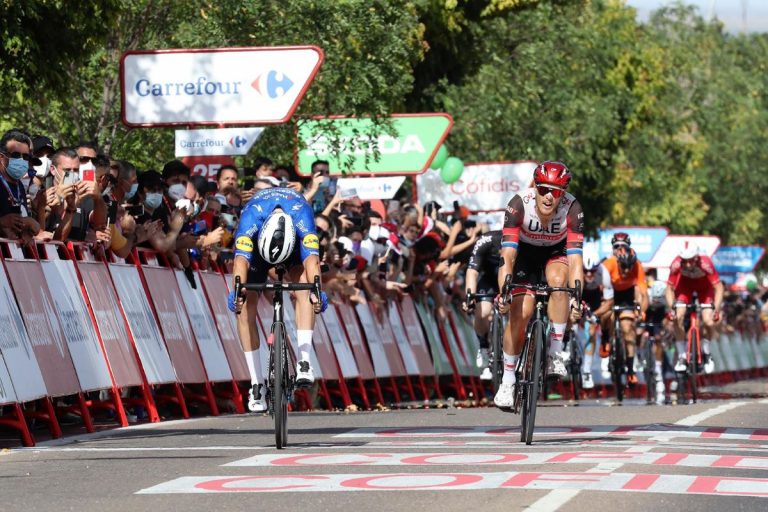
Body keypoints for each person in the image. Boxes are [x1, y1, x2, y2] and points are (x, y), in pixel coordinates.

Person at [229, 185, 328, 413]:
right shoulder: (251, 218)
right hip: (258, 252)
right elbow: (239, 264)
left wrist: (317, 290)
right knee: (244, 305)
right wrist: (237, 294)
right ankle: (256, 383)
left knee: (305, 289)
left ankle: (304, 361)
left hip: (293, 250)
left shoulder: (302, 215)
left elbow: (312, 262)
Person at [495, 161, 584, 408]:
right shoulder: (518, 205)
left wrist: (576, 296)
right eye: (543, 188)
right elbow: (507, 256)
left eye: (555, 192)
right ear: (534, 186)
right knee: (520, 313)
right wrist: (505, 292)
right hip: (524, 253)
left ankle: (555, 352)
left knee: (559, 282)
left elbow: (576, 261)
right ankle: (508, 380)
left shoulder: (572, 208)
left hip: (556, 252)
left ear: (562, 194)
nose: (548, 196)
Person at [665, 242, 723, 374]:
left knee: (708, 321)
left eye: (690, 261)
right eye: (684, 261)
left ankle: (707, 354)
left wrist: (716, 309)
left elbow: (718, 287)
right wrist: (671, 309)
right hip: (685, 287)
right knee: (677, 317)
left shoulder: (706, 263)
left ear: (697, 258)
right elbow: (669, 288)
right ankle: (681, 356)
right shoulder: (676, 264)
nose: (687, 265)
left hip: (705, 289)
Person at [599, 232, 649, 386]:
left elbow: (643, 293)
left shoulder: (637, 265)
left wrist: (642, 311)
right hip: (610, 293)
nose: (626, 271)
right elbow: (600, 289)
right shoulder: (608, 264)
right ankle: (606, 338)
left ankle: (630, 369)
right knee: (607, 315)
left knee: (628, 329)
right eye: (623, 267)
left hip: (627, 296)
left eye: (629, 268)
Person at [462, 230, 503, 380]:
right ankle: (484, 346)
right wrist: (469, 296)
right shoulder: (485, 240)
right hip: (489, 280)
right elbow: (472, 272)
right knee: (483, 312)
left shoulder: (521, 241)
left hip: (512, 279)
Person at [580, 255, 614, 389]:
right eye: (585, 270)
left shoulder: (603, 273)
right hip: (579, 294)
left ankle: (586, 371)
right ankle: (564, 344)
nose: (589, 274)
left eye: (592, 271)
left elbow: (609, 302)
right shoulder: (575, 270)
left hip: (594, 298)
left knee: (592, 330)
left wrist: (594, 315)